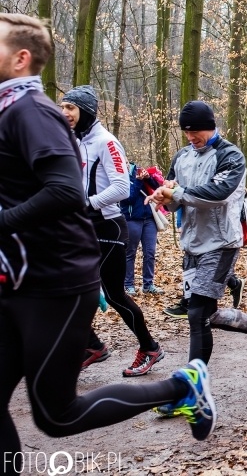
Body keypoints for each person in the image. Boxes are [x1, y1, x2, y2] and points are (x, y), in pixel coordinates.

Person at [0, 15, 217, 471]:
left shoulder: (31, 112)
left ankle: (180, 383)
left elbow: (67, 190)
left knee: (57, 414)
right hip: (20, 275)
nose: (70, 111)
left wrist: (5, 221)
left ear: (21, 59)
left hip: (58, 275)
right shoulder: (12, 111)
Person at [146, 100, 247, 368]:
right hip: (191, 243)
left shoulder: (231, 156)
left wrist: (175, 193)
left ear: (210, 127)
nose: (190, 137)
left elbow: (217, 194)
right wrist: (163, 195)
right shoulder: (182, 156)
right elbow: (176, 198)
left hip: (220, 243)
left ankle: (191, 389)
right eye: (186, 132)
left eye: (195, 131)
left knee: (196, 314)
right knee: (206, 315)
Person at [60, 85, 165, 377]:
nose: (65, 112)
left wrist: (87, 203)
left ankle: (150, 348)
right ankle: (92, 345)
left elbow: (121, 187)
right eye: (63, 107)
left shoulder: (106, 141)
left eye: (71, 107)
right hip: (82, 226)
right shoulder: (75, 140)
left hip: (107, 226)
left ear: (86, 111)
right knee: (66, 288)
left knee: (115, 294)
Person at [121, 162, 165, 296]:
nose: (126, 163)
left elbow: (157, 189)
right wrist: (138, 181)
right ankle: (128, 284)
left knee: (150, 252)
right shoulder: (119, 176)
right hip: (132, 219)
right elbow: (128, 199)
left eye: (127, 161)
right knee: (130, 253)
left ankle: (148, 284)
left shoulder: (138, 170)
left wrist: (147, 178)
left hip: (149, 218)